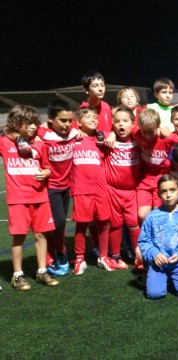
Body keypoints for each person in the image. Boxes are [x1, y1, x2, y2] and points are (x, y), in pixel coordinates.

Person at [0, 105, 59, 290]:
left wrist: (46, 173)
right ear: (17, 124)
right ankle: (17, 275)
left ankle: (42, 271)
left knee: (42, 234)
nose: (34, 127)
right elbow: (3, 131)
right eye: (28, 123)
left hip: (40, 197)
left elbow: (48, 167)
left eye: (35, 123)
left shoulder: (39, 144)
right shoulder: (5, 142)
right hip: (18, 199)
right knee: (19, 237)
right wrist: (15, 136)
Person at [138, 175, 178, 299]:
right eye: (164, 191)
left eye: (172, 190)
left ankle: (171, 279)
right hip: (158, 264)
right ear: (159, 194)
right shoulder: (152, 216)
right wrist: (154, 254)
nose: (168, 195)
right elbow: (144, 241)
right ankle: (154, 276)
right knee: (154, 294)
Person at [70, 106, 114, 274]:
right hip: (81, 188)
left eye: (95, 117)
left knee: (103, 222)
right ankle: (79, 258)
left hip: (100, 188)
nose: (94, 120)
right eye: (89, 117)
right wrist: (74, 131)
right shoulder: (73, 137)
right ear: (78, 122)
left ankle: (103, 256)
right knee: (82, 224)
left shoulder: (100, 138)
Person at [37, 100, 77, 276]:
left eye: (69, 120)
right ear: (51, 119)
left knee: (59, 223)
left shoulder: (75, 131)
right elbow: (16, 128)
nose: (67, 124)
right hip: (50, 186)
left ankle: (57, 251)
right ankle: (58, 251)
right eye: (62, 120)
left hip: (66, 185)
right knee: (58, 221)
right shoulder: (44, 134)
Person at [105, 106, 141, 269]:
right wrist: (110, 133)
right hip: (112, 190)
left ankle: (138, 256)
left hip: (132, 191)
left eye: (125, 121)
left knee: (133, 223)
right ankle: (115, 256)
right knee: (116, 224)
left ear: (133, 124)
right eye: (117, 121)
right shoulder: (108, 141)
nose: (121, 125)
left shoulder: (139, 140)